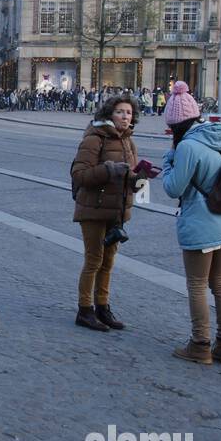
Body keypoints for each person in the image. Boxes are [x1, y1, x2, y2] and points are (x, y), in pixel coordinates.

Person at [160, 81, 221, 366]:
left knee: (197, 285)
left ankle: (200, 344)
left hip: (201, 224)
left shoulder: (187, 147)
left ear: (175, 125)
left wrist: (168, 160)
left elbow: (173, 187)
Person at [70, 94, 141, 332]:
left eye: (129, 113)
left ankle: (102, 306)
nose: (125, 116)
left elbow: (130, 178)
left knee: (108, 262)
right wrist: (108, 170)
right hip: (93, 208)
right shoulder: (94, 138)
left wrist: (139, 179)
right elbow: (79, 175)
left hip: (116, 211)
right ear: (110, 113)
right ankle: (85, 309)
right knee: (94, 259)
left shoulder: (129, 142)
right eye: (120, 111)